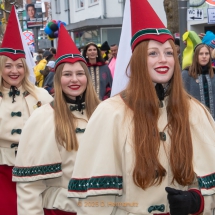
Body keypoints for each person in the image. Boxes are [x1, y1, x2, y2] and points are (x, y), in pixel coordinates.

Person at [68, 1, 215, 214]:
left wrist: (197, 202)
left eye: (168, 52)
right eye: (153, 53)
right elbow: (95, 203)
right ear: (137, 60)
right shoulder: (111, 114)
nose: (163, 60)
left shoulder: (195, 111)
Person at [12, 24, 100, 215]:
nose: (74, 80)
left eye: (79, 74)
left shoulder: (103, 113)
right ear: (58, 79)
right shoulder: (43, 118)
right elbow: (30, 188)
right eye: (67, 74)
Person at [0, 6, 53, 215]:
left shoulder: (43, 96)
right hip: (2, 173)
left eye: (19, 66)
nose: (14, 71)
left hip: (38, 172)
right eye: (8, 66)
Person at [182, 43, 215, 120]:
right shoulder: (186, 74)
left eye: (207, 54)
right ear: (196, 56)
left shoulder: (213, 72)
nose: (204, 56)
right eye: (201, 54)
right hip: (194, 119)